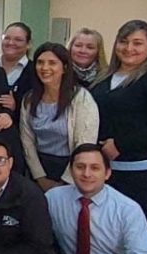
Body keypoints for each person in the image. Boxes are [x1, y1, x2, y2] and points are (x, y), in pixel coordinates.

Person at [89, 21, 147, 249]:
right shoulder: (102, 80)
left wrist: (120, 145)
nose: (129, 48)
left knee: (139, 235)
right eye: (124, 41)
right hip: (114, 173)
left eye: (137, 43)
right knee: (113, 236)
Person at [21, 42, 99, 190]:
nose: (45, 68)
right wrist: (40, 178)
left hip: (72, 169)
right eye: (40, 62)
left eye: (52, 63)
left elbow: (84, 143)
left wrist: (66, 181)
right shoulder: (29, 99)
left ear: (64, 67)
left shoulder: (81, 98)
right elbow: (27, 141)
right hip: (38, 169)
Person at [0, 22, 36, 115]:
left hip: (19, 127)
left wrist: (16, 106)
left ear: (28, 44)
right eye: (7, 38)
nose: (10, 43)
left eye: (18, 39)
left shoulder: (35, 71)